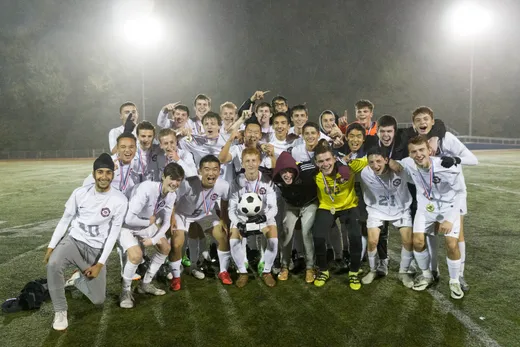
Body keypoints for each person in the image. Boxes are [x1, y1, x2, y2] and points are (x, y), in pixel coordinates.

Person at [43, 153, 128, 330]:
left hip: (96, 249)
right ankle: (60, 311)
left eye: (108, 173)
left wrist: (99, 264)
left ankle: (78, 280)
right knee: (53, 264)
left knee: (98, 300)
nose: (104, 177)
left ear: (113, 174)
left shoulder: (119, 200)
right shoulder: (79, 193)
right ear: (93, 173)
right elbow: (65, 220)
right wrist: (52, 246)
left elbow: (113, 235)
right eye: (100, 172)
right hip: (74, 241)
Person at [411, 106, 477, 291]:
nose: (423, 123)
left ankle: (460, 276)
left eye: (426, 119)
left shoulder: (446, 138)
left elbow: (473, 159)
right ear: (414, 124)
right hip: (432, 194)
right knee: (430, 232)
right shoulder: (417, 140)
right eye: (418, 120)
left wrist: (455, 159)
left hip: (453, 191)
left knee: (456, 235)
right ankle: (433, 271)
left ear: (432, 121)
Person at [399, 136, 466, 299]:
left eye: (421, 150)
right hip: (425, 208)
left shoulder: (446, 167)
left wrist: (450, 219)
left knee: (451, 244)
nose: (418, 154)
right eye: (413, 151)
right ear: (409, 154)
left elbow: (460, 192)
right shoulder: (407, 163)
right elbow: (390, 164)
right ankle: (427, 275)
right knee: (418, 241)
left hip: (449, 207)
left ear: (430, 150)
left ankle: (454, 281)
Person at [119, 163, 184, 308]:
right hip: (127, 227)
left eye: (178, 180)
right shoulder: (147, 188)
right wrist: (149, 221)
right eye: (172, 178)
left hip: (146, 225)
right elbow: (128, 219)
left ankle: (145, 284)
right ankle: (125, 291)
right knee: (136, 256)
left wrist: (153, 239)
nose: (175, 183)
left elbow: (167, 223)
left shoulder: (171, 195)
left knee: (165, 248)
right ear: (163, 177)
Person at [168, 155, 233, 290]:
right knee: (177, 242)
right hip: (183, 214)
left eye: (215, 169)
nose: (211, 173)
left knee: (222, 236)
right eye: (207, 169)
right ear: (200, 171)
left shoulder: (223, 185)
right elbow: (172, 198)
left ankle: (223, 271)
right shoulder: (188, 183)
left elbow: (224, 202)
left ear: (220, 171)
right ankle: (176, 277)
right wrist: (172, 218)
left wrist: (223, 220)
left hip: (205, 214)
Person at [312, 140, 367, 290]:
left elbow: (370, 158)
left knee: (355, 236)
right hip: (327, 206)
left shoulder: (348, 167)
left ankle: (354, 271)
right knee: (318, 236)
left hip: (349, 205)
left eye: (328, 159)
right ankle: (323, 270)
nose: (325, 164)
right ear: (316, 163)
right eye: (321, 161)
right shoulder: (313, 173)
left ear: (334, 159)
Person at [359, 147, 414, 287]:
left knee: (408, 241)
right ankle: (372, 270)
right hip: (376, 209)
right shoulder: (365, 173)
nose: (375, 165)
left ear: (386, 160)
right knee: (372, 241)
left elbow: (408, 168)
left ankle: (403, 272)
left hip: (400, 209)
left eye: (378, 161)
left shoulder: (399, 169)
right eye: (371, 162)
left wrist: (396, 164)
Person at [228, 148, 278, 288]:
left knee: (273, 239)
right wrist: (239, 222)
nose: (250, 164)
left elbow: (273, 207)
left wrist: (264, 217)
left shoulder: (267, 181)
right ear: (242, 164)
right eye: (247, 161)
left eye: (254, 161)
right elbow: (231, 209)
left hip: (263, 217)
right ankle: (242, 272)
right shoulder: (236, 182)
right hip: (242, 217)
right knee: (233, 240)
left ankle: (266, 270)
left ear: (259, 162)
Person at [273, 151, 318, 283]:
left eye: (289, 171)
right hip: (291, 205)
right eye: (283, 172)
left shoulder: (306, 169)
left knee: (306, 232)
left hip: (309, 203)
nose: (287, 175)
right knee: (286, 232)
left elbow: (323, 163)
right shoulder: (275, 177)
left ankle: (310, 267)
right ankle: (284, 265)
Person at [84, 133, 139, 197]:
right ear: (117, 149)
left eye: (131, 147)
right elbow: (86, 184)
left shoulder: (136, 163)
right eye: (123, 147)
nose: (127, 150)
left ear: (136, 148)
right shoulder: (109, 162)